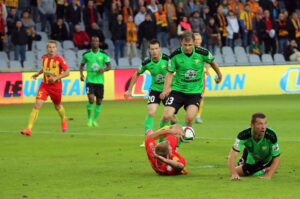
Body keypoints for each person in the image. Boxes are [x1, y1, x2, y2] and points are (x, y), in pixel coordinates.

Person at [159, 31, 222, 130]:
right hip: (177, 91)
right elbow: (170, 73)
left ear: (194, 43)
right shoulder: (175, 55)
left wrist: (220, 75)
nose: (187, 47)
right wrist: (165, 90)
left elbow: (212, 62)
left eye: (190, 45)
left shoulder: (202, 53)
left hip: (194, 92)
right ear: (181, 42)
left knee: (189, 119)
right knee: (166, 116)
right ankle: (160, 142)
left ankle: (177, 141)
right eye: (185, 45)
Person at [125, 39, 176, 147]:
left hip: (168, 90)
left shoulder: (168, 59)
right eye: (152, 49)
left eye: (156, 48)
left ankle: (166, 138)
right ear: (149, 50)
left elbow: (175, 74)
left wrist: (169, 89)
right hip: (155, 90)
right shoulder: (147, 63)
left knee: (172, 117)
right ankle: (148, 140)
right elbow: (136, 74)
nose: (154, 51)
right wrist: (129, 90)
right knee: (151, 112)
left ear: (160, 48)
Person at [20, 40, 70, 136]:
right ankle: (28, 129)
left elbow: (67, 72)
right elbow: (45, 68)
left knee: (57, 106)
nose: (51, 49)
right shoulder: (43, 57)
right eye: (49, 47)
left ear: (56, 48)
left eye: (53, 47)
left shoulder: (59, 59)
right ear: (47, 48)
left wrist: (56, 78)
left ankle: (64, 118)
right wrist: (38, 74)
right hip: (44, 85)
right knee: (37, 105)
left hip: (56, 86)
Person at [228, 113, 281, 180]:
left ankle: (264, 170)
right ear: (252, 125)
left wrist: (268, 176)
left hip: (266, 160)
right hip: (252, 154)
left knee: (247, 171)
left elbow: (277, 157)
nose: (263, 127)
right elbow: (232, 156)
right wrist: (234, 174)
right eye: (260, 124)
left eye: (265, 123)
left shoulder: (271, 135)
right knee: (237, 171)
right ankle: (247, 158)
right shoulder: (243, 135)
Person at [80, 36, 111, 127]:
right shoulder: (86, 55)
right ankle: (89, 118)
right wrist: (81, 74)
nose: (95, 42)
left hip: (100, 81)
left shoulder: (103, 54)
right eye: (93, 41)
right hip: (90, 80)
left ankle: (94, 120)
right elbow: (81, 66)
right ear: (91, 43)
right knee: (91, 99)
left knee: (99, 102)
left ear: (99, 43)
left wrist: (104, 69)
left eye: (97, 41)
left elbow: (109, 66)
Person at [193, 33, 210, 124]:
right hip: (189, 78)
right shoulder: (189, 50)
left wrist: (207, 70)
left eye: (199, 39)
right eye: (195, 39)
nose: (197, 41)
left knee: (201, 97)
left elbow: (208, 61)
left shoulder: (204, 51)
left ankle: (198, 116)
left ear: (201, 40)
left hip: (200, 78)